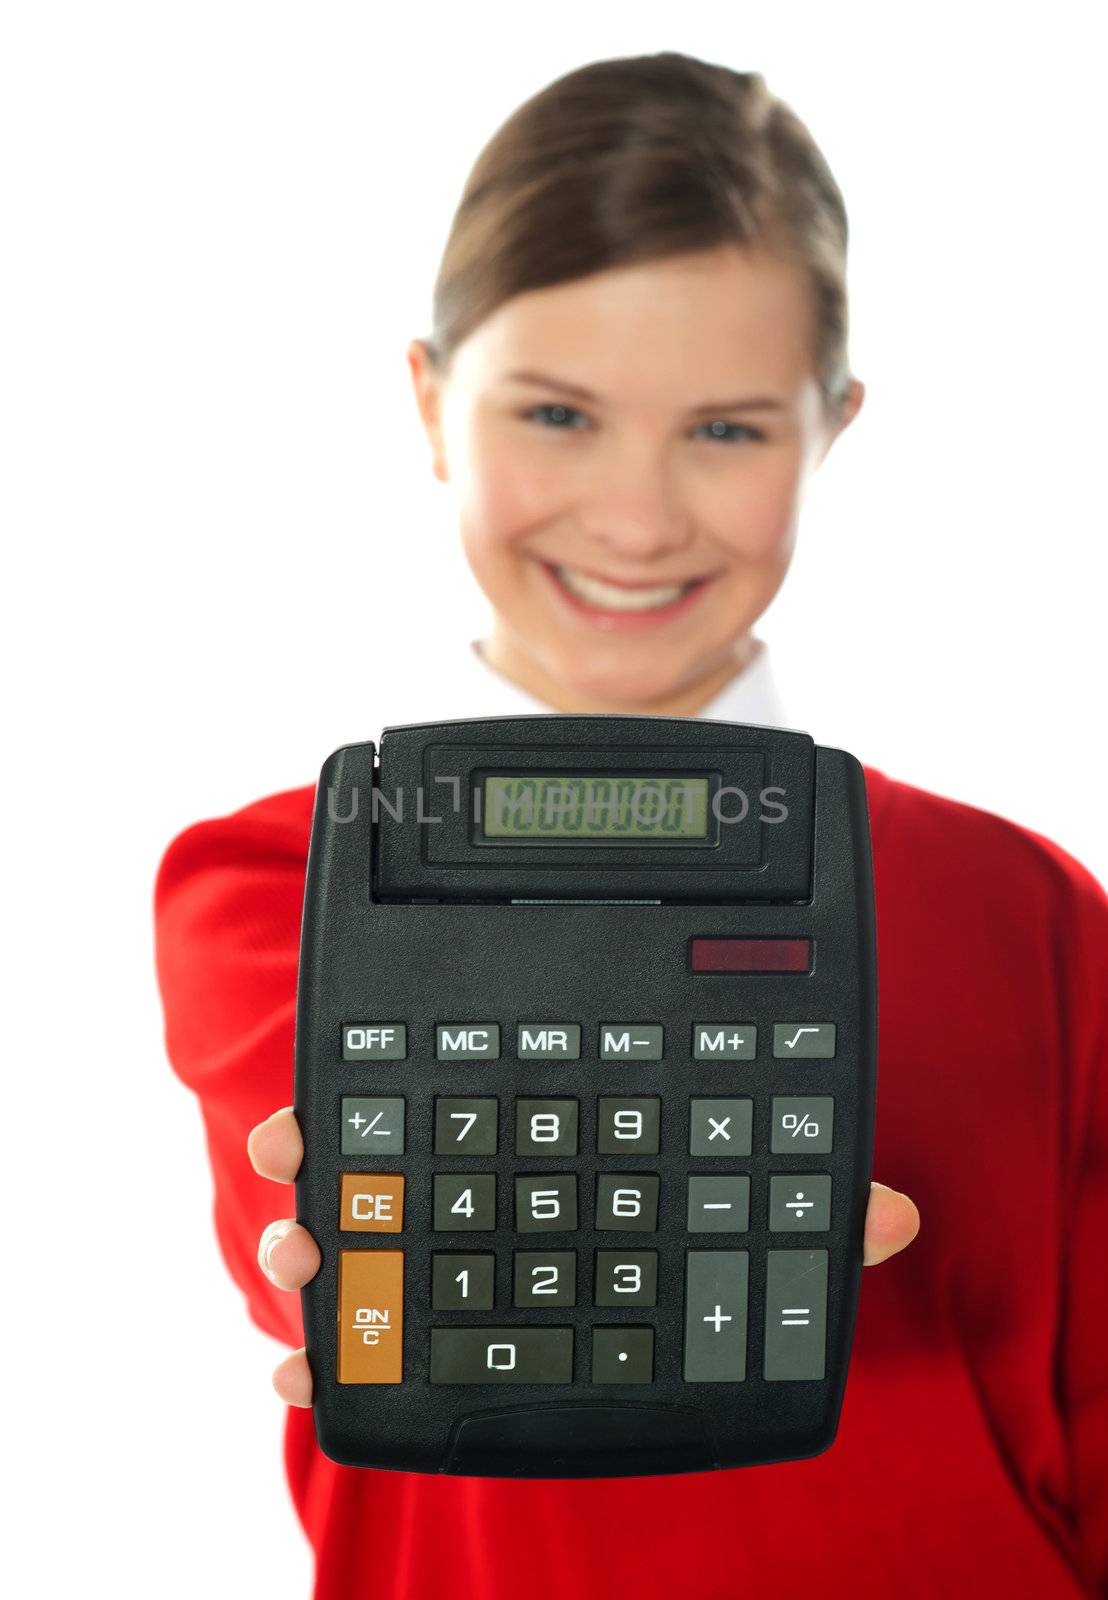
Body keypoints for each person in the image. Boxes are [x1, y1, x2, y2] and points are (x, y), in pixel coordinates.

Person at [153, 51, 1108, 1599]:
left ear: (833, 427)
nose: (637, 518)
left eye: (727, 431)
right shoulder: (268, 882)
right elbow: (349, 1287)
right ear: (429, 402)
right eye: (558, 413)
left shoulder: (1033, 905)